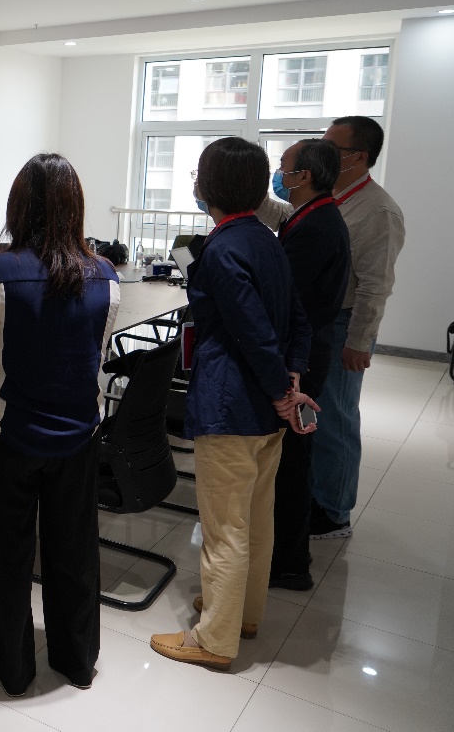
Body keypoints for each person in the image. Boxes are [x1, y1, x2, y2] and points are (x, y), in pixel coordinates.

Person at [150, 137, 316, 671]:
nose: (196, 185)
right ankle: (242, 613)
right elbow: (297, 323)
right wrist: (290, 384)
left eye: (198, 176)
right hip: (267, 412)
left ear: (211, 185)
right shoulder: (267, 239)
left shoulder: (222, 249)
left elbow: (252, 334)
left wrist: (280, 390)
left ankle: (214, 640)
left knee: (225, 528)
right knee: (257, 518)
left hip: (232, 406)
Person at [0, 154, 120, 696]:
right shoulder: (105, 277)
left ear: (18, 206)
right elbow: (97, 354)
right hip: (79, 432)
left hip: (8, 429)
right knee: (74, 550)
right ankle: (77, 661)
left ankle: (13, 668)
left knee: (8, 553)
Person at [308, 117, 405, 539]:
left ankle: (334, 512)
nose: (322, 153)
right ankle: (317, 493)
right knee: (315, 412)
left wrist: (359, 341)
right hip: (319, 321)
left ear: (358, 156)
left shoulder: (378, 211)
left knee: (336, 418)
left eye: (332, 147)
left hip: (344, 323)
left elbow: (375, 285)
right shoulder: (328, 196)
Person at [269, 140, 350, 589]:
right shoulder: (309, 217)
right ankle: (287, 557)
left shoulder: (318, 226)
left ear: (305, 176)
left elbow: (287, 297)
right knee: (290, 460)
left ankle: (289, 563)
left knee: (291, 463)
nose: (279, 174)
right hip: (306, 348)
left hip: (303, 358)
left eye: (283, 167)